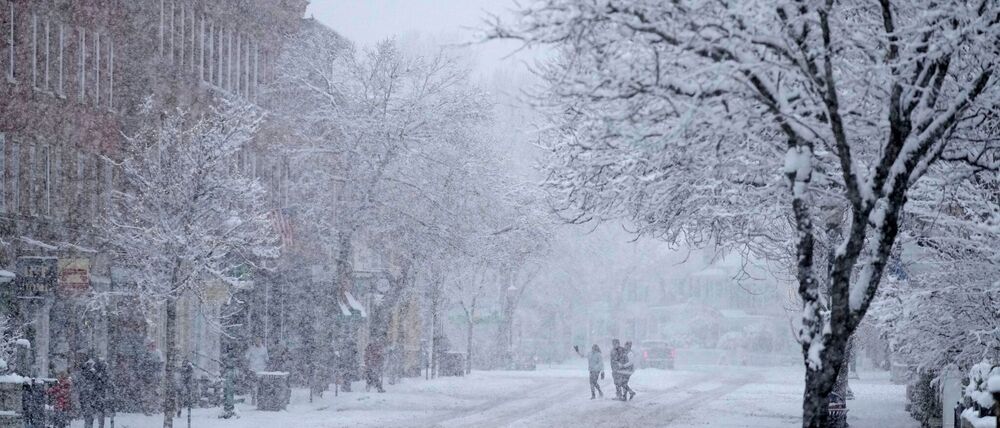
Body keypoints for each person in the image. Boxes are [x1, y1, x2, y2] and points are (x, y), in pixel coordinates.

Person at [246, 338, 269, 404]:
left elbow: (267, 358)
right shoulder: (251, 348)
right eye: (256, 340)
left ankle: (260, 398)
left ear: (261, 341)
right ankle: (253, 397)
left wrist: (267, 360)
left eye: (259, 340)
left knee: (261, 385)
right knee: (253, 384)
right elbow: (246, 356)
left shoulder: (264, 349)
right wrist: (247, 359)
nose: (258, 342)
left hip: (261, 369)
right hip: (253, 369)